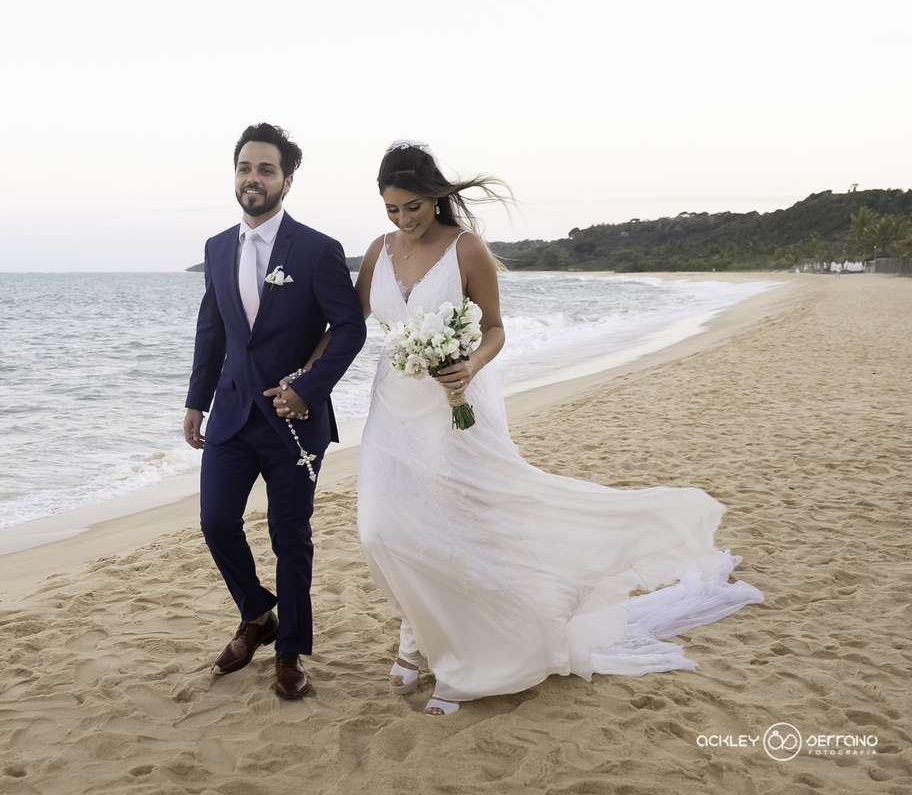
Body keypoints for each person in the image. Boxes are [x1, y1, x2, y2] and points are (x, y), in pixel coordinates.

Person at [353, 140, 762, 715]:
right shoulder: (378, 250)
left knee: (454, 530)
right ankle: (413, 634)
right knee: (380, 531)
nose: (403, 219)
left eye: (413, 206)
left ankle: (455, 658)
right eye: (392, 209)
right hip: (391, 409)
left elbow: (494, 329)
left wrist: (470, 364)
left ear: (436, 197)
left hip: (454, 409)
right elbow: (349, 322)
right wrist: (297, 369)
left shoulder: (466, 248)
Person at [184, 123, 366, 699]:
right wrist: (196, 401)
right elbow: (212, 330)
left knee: (290, 536)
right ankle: (258, 613)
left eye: (266, 169)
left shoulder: (316, 249)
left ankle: (290, 651)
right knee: (216, 523)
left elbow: (350, 328)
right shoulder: (217, 247)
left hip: (294, 421)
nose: (253, 179)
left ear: (287, 180)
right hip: (231, 416)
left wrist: (308, 388)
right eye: (245, 168)